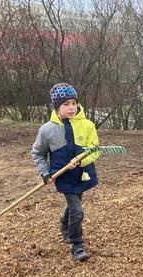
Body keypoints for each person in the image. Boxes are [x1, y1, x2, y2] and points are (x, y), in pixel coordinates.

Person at [31, 83, 100, 261]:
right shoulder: (47, 130)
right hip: (62, 176)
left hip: (82, 174)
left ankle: (64, 225)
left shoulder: (88, 125)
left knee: (74, 205)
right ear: (56, 107)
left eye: (73, 103)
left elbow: (95, 149)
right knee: (77, 211)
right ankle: (77, 245)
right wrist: (45, 173)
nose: (71, 108)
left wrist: (81, 160)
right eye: (66, 104)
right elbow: (38, 153)